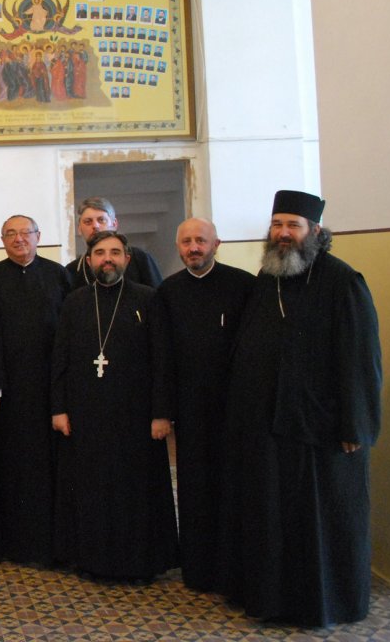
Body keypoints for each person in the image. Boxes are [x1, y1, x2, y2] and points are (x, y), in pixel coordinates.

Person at [217, 190, 382, 626]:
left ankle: (321, 604)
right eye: (277, 225)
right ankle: (269, 599)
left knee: (317, 524)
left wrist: (356, 425)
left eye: (293, 225)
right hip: (265, 428)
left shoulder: (343, 281)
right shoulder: (268, 279)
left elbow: (362, 361)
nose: (283, 234)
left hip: (320, 431)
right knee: (269, 518)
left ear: (316, 232)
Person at [51, 230, 177, 582]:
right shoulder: (75, 301)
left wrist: (162, 413)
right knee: (92, 489)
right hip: (86, 415)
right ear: (89, 261)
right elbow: (59, 359)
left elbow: (162, 361)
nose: (108, 258)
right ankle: (92, 560)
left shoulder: (149, 299)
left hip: (136, 418)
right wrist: (58, 409)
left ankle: (137, 562)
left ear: (127, 259)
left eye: (116, 252)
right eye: (101, 253)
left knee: (133, 491)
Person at [148, 218, 254, 592]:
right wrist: (163, 411)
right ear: (179, 247)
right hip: (191, 410)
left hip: (235, 408)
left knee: (234, 488)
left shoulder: (244, 285)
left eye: (201, 241)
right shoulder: (168, 292)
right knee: (194, 491)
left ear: (216, 244)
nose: (194, 247)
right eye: (187, 241)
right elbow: (162, 357)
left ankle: (235, 568)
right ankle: (199, 570)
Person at [0, 214, 71, 565]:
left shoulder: (59, 275)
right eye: (11, 234)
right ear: (2, 240)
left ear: (39, 236)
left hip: (50, 390)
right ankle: (12, 544)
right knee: (11, 467)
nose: (20, 239)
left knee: (49, 469)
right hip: (7, 393)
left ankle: (50, 544)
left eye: (26, 233)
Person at [67, 196, 163, 290]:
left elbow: (157, 299)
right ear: (79, 228)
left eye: (101, 220)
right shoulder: (71, 271)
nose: (95, 226)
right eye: (88, 222)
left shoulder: (139, 258)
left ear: (114, 224)